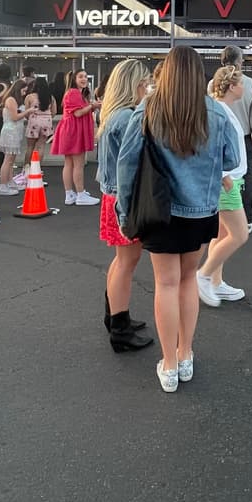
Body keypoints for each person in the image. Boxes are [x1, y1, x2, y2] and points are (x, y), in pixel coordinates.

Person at [115, 46, 241, 393]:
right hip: (201, 211)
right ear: (199, 74)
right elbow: (230, 157)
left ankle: (168, 367)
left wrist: (124, 211)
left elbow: (126, 164)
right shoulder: (214, 112)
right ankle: (185, 356)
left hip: (159, 211)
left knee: (166, 285)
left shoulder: (149, 108)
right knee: (188, 281)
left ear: (166, 73)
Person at [95, 59, 154, 352]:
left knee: (122, 261)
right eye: (145, 82)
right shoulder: (128, 116)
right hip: (125, 199)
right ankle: (119, 327)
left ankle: (116, 317)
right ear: (136, 84)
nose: (149, 87)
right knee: (127, 263)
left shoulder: (113, 115)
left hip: (113, 195)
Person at [198, 65, 251, 305]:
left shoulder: (220, 108)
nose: (244, 87)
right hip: (226, 180)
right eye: (240, 83)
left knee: (221, 234)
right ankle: (204, 275)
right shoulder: (218, 110)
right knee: (239, 234)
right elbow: (210, 146)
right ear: (231, 86)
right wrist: (224, 174)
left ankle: (215, 282)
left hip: (228, 178)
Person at [215, 46, 252, 231]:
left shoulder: (213, 83)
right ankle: (246, 216)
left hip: (223, 136)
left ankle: (226, 216)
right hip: (244, 134)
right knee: (245, 175)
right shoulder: (249, 82)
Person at [52, 69, 100, 206]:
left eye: (85, 76)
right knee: (78, 164)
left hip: (69, 130)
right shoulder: (73, 93)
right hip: (74, 131)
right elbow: (78, 113)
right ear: (74, 79)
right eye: (81, 77)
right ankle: (80, 194)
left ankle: (70, 194)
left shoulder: (73, 93)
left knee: (69, 163)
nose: (84, 79)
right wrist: (92, 106)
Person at [0, 79, 28, 196]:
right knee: (8, 160)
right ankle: (3, 185)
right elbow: (15, 117)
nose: (24, 93)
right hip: (10, 132)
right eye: (23, 91)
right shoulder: (10, 100)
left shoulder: (14, 100)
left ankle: (10, 181)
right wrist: (28, 111)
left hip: (15, 132)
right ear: (18, 89)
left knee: (11, 160)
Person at [21, 77, 56, 174]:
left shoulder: (30, 97)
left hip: (34, 121)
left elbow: (26, 112)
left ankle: (26, 169)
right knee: (41, 146)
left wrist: (32, 118)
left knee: (30, 147)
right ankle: (36, 170)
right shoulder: (50, 97)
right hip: (46, 122)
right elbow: (54, 112)